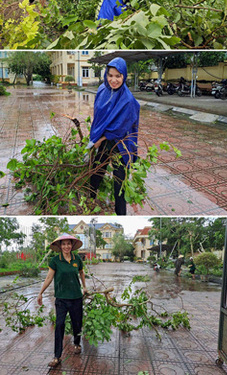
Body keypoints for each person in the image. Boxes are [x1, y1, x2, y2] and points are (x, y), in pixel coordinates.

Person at [88, 58, 140, 216]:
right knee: (97, 168)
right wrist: (95, 136)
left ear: (124, 76)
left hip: (120, 142)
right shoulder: (102, 90)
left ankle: (121, 214)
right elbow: (98, 115)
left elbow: (120, 127)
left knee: (119, 181)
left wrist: (99, 140)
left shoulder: (128, 100)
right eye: (110, 75)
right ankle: (90, 197)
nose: (113, 80)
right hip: (103, 138)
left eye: (118, 76)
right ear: (106, 75)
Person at [37, 234, 87, 368]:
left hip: (76, 297)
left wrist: (85, 287)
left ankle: (77, 343)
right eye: (63, 244)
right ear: (60, 246)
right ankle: (57, 356)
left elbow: (81, 273)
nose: (66, 246)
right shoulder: (55, 261)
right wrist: (40, 292)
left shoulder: (77, 259)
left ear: (72, 245)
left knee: (77, 323)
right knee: (59, 325)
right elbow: (48, 278)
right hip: (61, 299)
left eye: (68, 244)